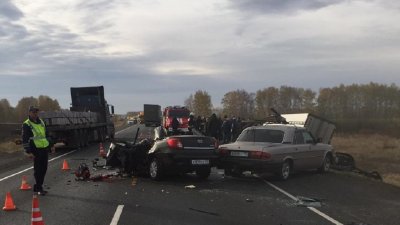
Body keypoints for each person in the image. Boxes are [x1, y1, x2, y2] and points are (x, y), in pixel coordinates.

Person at [22, 106, 55, 195]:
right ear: (29, 113)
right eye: (33, 112)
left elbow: (47, 135)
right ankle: (38, 187)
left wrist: (51, 145)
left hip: (44, 148)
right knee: (38, 169)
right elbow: (25, 139)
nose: (35, 113)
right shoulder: (27, 124)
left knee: (44, 168)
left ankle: (38, 186)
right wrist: (28, 151)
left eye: (36, 112)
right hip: (35, 149)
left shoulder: (42, 122)